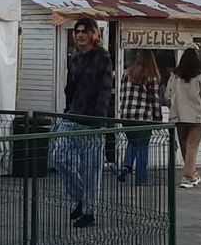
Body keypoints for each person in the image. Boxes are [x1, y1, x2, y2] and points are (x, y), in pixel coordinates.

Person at [51, 19, 115, 228]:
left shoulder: (103, 57)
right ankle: (80, 197)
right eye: (77, 31)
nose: (80, 35)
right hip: (72, 115)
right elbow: (70, 87)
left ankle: (89, 211)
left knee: (92, 169)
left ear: (93, 34)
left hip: (92, 120)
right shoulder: (74, 57)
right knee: (59, 157)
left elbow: (105, 90)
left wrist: (99, 118)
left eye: (84, 31)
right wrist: (68, 108)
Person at [164, 48, 201, 188]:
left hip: (178, 117)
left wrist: (174, 107)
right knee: (192, 147)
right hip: (196, 117)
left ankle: (194, 175)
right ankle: (187, 177)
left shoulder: (174, 75)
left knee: (185, 146)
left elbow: (167, 96)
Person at [116, 54, 164, 185]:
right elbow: (155, 101)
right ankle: (141, 180)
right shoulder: (151, 77)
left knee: (132, 142)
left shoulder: (126, 74)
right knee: (142, 147)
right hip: (142, 117)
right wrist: (158, 120)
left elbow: (122, 95)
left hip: (126, 116)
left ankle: (126, 166)